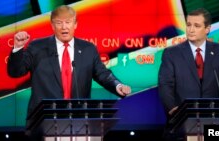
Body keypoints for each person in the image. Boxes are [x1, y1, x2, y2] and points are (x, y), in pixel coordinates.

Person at [7, 5, 131, 141]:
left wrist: (117, 85)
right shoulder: (37, 47)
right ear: (52, 25)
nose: (64, 27)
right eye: (59, 23)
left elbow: (102, 74)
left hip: (79, 123)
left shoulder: (88, 49)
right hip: (43, 122)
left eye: (68, 22)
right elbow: (15, 72)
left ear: (75, 24)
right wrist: (18, 48)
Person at [158, 8, 219, 141]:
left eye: (196, 26)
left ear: (207, 29)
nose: (191, 30)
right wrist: (173, 108)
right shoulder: (171, 53)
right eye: (189, 25)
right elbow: (165, 85)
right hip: (183, 120)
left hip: (214, 121)